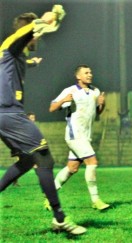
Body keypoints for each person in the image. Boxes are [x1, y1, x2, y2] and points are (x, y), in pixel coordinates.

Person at [0, 6, 87, 235]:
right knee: (45, 159)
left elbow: (21, 60)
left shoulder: (15, 56)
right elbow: (18, 39)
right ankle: (59, 218)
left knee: (28, 161)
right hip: (7, 112)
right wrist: (41, 22)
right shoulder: (10, 46)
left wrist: (33, 62)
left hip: (6, 113)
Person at [47, 64, 110, 211]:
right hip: (74, 135)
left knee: (72, 168)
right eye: (86, 73)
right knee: (92, 162)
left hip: (85, 136)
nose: (90, 75)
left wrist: (102, 104)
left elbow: (97, 113)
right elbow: (52, 108)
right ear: (78, 76)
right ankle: (96, 200)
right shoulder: (71, 90)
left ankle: (49, 197)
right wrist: (63, 100)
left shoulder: (95, 91)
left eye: (91, 72)